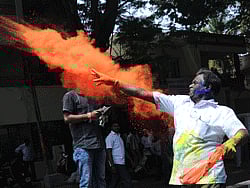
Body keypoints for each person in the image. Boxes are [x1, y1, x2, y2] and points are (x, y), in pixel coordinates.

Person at [91, 68, 249, 188]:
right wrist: (115, 83)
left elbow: (242, 132)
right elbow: (142, 93)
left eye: (195, 83)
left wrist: (232, 142)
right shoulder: (180, 102)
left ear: (207, 88)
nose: (190, 85)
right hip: (180, 179)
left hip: (210, 179)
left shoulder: (222, 112)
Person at [62, 89, 106, 188]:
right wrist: (89, 115)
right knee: (86, 182)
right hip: (83, 146)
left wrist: (102, 115)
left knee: (101, 179)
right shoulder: (70, 96)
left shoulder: (92, 95)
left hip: (99, 144)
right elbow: (67, 118)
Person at [106, 122, 132, 188]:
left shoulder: (119, 136)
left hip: (121, 161)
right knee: (127, 179)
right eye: (115, 126)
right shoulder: (110, 137)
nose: (117, 127)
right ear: (111, 127)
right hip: (116, 162)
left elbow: (122, 149)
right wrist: (111, 165)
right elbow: (109, 152)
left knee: (115, 181)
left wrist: (129, 158)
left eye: (118, 126)